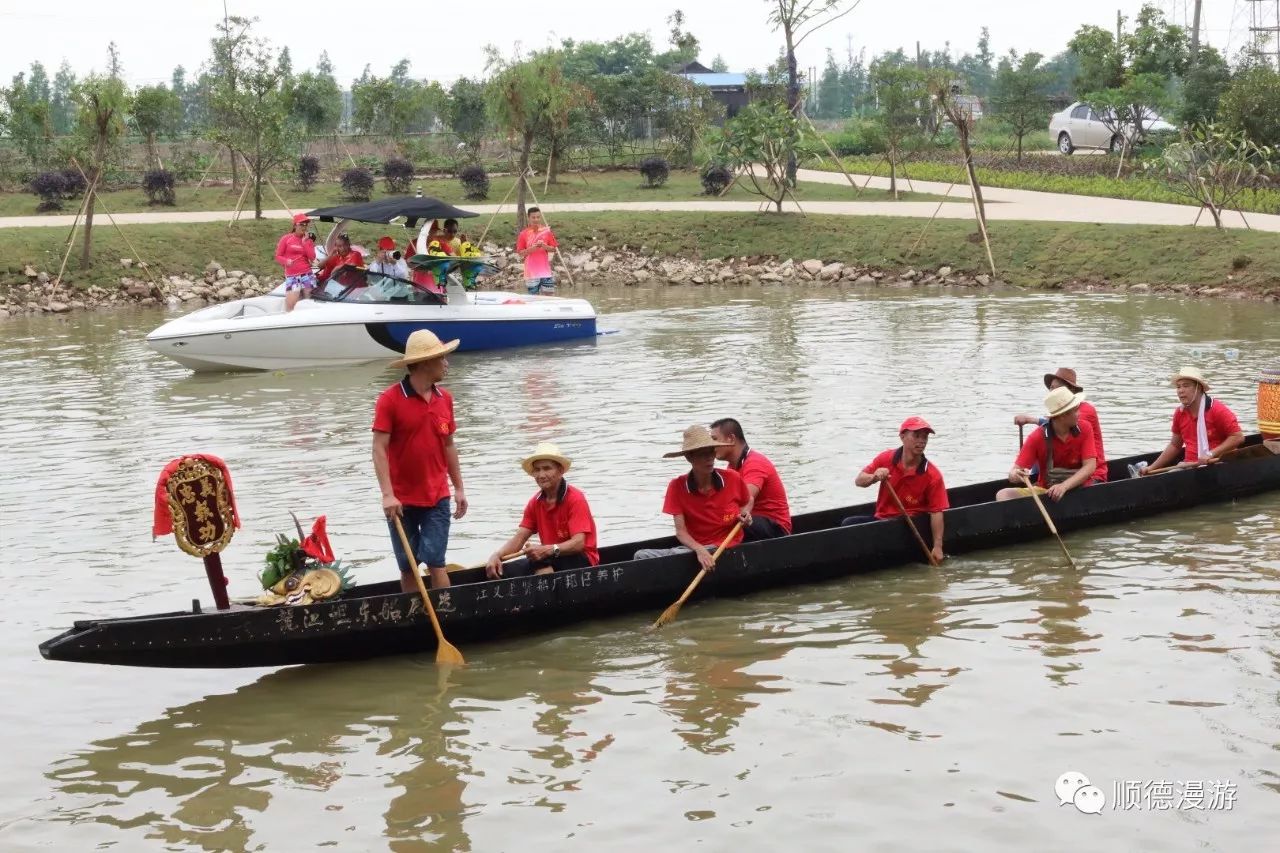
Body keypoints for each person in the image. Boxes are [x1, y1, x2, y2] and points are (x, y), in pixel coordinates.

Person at [372, 330, 469, 593]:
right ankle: (414, 623)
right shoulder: (390, 400)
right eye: (442, 359)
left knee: (436, 561)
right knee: (408, 565)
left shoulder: (444, 399)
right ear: (426, 362)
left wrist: (458, 488)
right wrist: (387, 495)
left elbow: (448, 445)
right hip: (401, 500)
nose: (447, 364)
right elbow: (379, 448)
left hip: (437, 495)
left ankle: (445, 617)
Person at [633, 425, 752, 569]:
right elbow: (681, 532)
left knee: (651, 557)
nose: (709, 458)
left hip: (724, 546)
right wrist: (699, 550)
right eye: (702, 454)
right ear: (689, 457)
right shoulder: (676, 486)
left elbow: (748, 501)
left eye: (711, 452)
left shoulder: (732, 478)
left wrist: (745, 516)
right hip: (696, 548)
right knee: (641, 556)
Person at [485, 442, 599, 579]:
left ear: (560, 470)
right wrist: (496, 555)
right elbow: (520, 537)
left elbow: (578, 544)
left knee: (539, 563)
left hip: (583, 560)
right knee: (503, 572)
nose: (541, 474)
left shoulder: (575, 498)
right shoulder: (535, 502)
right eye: (537, 470)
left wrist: (549, 549)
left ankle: (549, 598)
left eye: (547, 468)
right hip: (550, 558)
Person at [842, 417, 947, 565]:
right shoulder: (886, 458)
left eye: (925, 437)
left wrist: (937, 547)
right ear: (902, 437)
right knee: (848, 523)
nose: (922, 441)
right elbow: (859, 481)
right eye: (916, 436)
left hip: (911, 526)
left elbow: (937, 512)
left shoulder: (932, 475)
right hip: (883, 520)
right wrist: (874, 477)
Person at [997, 386, 1098, 502]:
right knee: (1003, 494)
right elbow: (1013, 473)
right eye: (1075, 410)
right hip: (1047, 493)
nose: (1079, 413)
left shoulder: (1085, 428)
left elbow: (1090, 466)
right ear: (1062, 415)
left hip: (1080, 489)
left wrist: (1063, 486)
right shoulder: (1036, 438)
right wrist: (1016, 474)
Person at [1141, 366, 1244, 476]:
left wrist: (1211, 454)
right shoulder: (1179, 413)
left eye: (1186, 385)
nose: (1180, 390)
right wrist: (1151, 467)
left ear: (1198, 388)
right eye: (1178, 387)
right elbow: (1175, 445)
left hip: (1218, 464)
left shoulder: (1217, 409)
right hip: (1189, 465)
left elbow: (1238, 437)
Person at [1013, 368, 1108, 484]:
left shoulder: (1084, 411)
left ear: (1070, 390)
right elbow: (1054, 424)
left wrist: (1031, 419)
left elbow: (1061, 424)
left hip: (1091, 474)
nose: (1052, 391)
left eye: (1056, 388)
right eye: (1051, 388)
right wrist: (1017, 472)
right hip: (1059, 476)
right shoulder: (1040, 433)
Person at [709, 418, 791, 540]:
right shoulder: (732, 467)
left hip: (776, 530)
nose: (711, 445)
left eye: (714, 439)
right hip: (752, 523)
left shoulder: (754, 463)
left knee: (726, 522)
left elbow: (745, 499)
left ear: (731, 439)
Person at [275, 213, 317, 312]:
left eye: (306, 224)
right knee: (290, 305)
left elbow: (312, 257)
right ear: (295, 225)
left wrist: (305, 242)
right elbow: (278, 256)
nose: (304, 227)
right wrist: (286, 261)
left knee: (309, 303)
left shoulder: (308, 240)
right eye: (301, 224)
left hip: (307, 274)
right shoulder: (286, 238)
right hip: (292, 276)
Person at [516, 207, 558, 295]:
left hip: (545, 272)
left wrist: (544, 246)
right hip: (531, 272)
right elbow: (520, 253)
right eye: (533, 217)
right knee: (533, 299)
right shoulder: (523, 234)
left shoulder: (547, 232)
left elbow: (554, 249)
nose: (536, 219)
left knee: (549, 297)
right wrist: (532, 249)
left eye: (538, 217)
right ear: (529, 218)